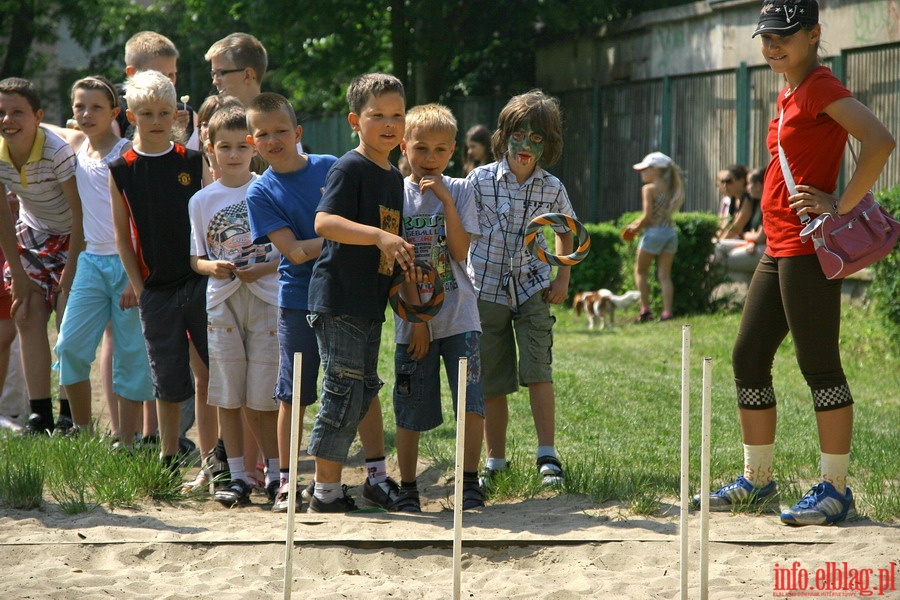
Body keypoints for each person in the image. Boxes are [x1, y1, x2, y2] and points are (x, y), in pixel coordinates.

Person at [693, 0, 894, 526]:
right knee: (748, 357)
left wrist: (841, 204)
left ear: (813, 35)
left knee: (819, 365)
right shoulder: (789, 89)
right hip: (777, 248)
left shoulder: (821, 86)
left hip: (808, 249)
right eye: (765, 37)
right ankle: (756, 482)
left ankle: (835, 491)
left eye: (784, 35)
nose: (772, 45)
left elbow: (879, 140)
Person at [245, 92, 400, 513]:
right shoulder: (260, 192)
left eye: (281, 131)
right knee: (295, 392)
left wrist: (362, 236)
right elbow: (293, 253)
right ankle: (285, 483)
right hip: (298, 297)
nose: (274, 140)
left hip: (351, 294)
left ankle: (376, 475)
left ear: (298, 132)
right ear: (252, 141)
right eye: (263, 134)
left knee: (363, 384)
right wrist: (351, 233)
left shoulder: (332, 166)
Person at [306, 73, 411, 513]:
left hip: (369, 303)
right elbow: (324, 224)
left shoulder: (393, 175)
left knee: (363, 391)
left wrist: (403, 289)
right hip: (340, 299)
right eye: (377, 116)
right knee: (341, 392)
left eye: (397, 116)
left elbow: (390, 242)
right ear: (355, 120)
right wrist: (378, 238)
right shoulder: (350, 167)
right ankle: (324, 492)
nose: (389, 124)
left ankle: (363, 482)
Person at [467, 90, 573, 488]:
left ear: (548, 144)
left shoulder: (552, 188)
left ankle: (548, 455)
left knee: (538, 370)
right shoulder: (479, 181)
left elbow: (567, 233)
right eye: (519, 135)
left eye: (536, 138)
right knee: (492, 378)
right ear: (504, 135)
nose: (526, 146)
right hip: (486, 289)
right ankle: (496, 459)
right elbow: (458, 229)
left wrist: (561, 278)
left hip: (532, 286)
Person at [110, 70, 209, 469]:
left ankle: (213, 458)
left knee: (208, 373)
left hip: (199, 281)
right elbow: (121, 235)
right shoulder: (122, 168)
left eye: (164, 113)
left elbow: (209, 221)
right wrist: (142, 287)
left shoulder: (193, 160)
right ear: (131, 116)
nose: (156, 121)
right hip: (157, 290)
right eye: (147, 113)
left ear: (177, 115)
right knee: (168, 381)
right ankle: (168, 455)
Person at [392, 103, 485, 512]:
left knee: (471, 399)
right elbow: (395, 263)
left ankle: (469, 481)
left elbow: (462, 252)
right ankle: (408, 485)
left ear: (452, 152)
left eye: (441, 150)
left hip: (460, 315)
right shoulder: (393, 193)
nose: (430, 159)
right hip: (411, 320)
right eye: (421, 148)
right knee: (410, 402)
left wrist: (447, 201)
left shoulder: (462, 190)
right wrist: (418, 321)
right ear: (404, 146)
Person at [188, 105, 279, 507]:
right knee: (228, 393)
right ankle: (237, 475)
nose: (233, 154)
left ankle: (277, 474)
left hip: (266, 298)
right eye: (224, 146)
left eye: (242, 146)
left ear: (255, 147)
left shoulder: (269, 187)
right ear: (209, 148)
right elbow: (196, 258)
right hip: (221, 302)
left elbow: (285, 251)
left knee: (264, 395)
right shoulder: (202, 200)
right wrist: (215, 266)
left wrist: (261, 268)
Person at [54, 76, 153, 443]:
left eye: (96, 107)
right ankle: (83, 431)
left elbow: (143, 220)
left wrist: (135, 278)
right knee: (68, 347)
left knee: (130, 354)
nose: (86, 113)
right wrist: (69, 273)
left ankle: (127, 442)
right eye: (80, 106)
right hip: (90, 264)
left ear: (114, 113)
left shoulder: (129, 153)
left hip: (127, 267)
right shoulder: (76, 146)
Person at [0, 77, 82, 436]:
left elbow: (80, 214)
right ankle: (39, 415)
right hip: (32, 233)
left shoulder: (56, 151)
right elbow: (3, 214)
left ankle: (68, 415)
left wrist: (73, 269)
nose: (8, 120)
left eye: (18, 112)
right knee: (27, 314)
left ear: (38, 116)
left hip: (75, 236)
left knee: (68, 320)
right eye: (1, 112)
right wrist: (16, 271)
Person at [624, 151, 685, 323]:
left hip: (654, 233)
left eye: (645, 169)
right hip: (670, 233)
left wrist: (634, 228)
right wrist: (637, 224)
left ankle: (646, 311)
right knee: (664, 276)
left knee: (641, 271)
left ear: (656, 170)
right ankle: (667, 313)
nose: (642, 172)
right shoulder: (672, 189)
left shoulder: (649, 189)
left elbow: (647, 217)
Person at [116, 31, 197, 148]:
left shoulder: (184, 113)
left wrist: (179, 133)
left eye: (172, 74)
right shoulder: (115, 112)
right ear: (132, 73)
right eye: (159, 74)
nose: (168, 81)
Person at [206, 33, 268, 108]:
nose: (215, 82)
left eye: (221, 73)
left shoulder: (276, 118)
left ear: (247, 75)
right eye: (213, 74)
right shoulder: (211, 118)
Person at [716, 164, 750, 240]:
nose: (724, 185)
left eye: (729, 181)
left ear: (741, 181)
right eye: (723, 181)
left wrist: (718, 241)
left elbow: (735, 229)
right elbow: (726, 224)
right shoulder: (733, 199)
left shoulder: (747, 199)